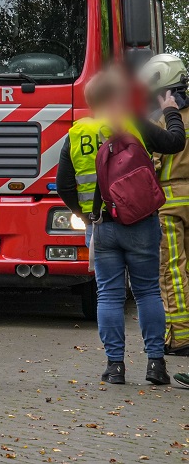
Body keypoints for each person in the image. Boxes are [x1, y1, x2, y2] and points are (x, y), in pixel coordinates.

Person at [56, 67, 184, 385]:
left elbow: (63, 186)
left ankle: (115, 368)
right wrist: (170, 112)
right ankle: (156, 365)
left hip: (102, 226)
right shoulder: (136, 122)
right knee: (148, 292)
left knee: (109, 296)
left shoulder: (77, 132)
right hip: (142, 222)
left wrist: (84, 214)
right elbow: (175, 143)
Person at [138, 55, 189, 357]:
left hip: (169, 205)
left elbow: (149, 167)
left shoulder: (159, 122)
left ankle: (179, 336)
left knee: (172, 271)